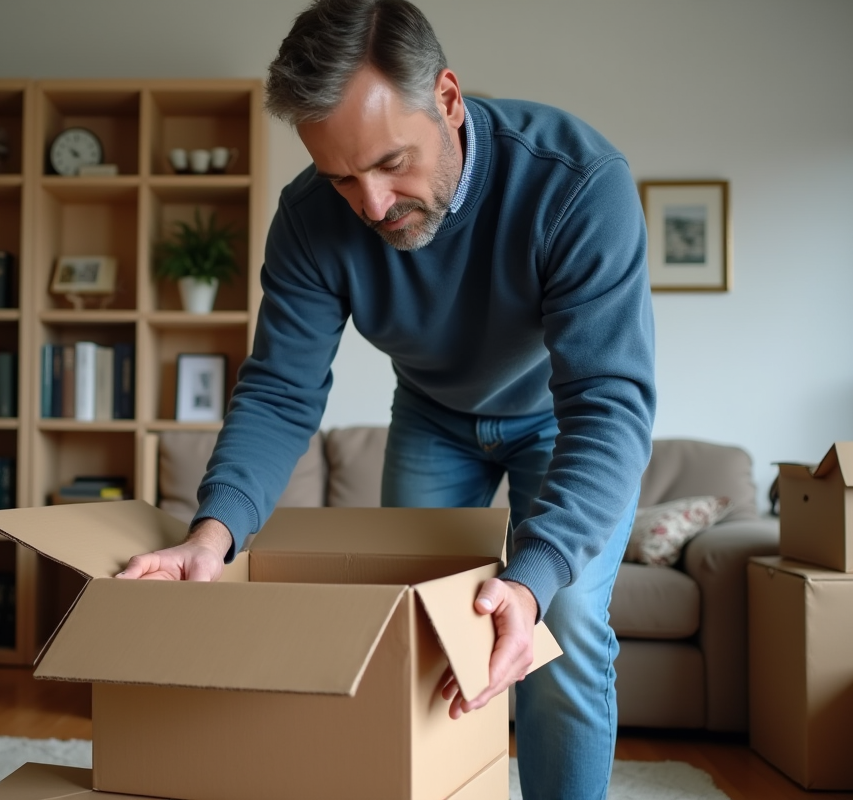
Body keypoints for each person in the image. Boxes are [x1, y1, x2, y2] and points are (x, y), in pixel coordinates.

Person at [117, 0, 655, 797]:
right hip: (434, 418)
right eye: (341, 177)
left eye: (391, 163)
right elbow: (279, 389)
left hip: (560, 421)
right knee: (422, 630)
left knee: (561, 625)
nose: (371, 205)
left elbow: (608, 403)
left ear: (447, 99)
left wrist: (532, 577)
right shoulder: (307, 221)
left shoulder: (576, 184)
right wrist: (214, 534)